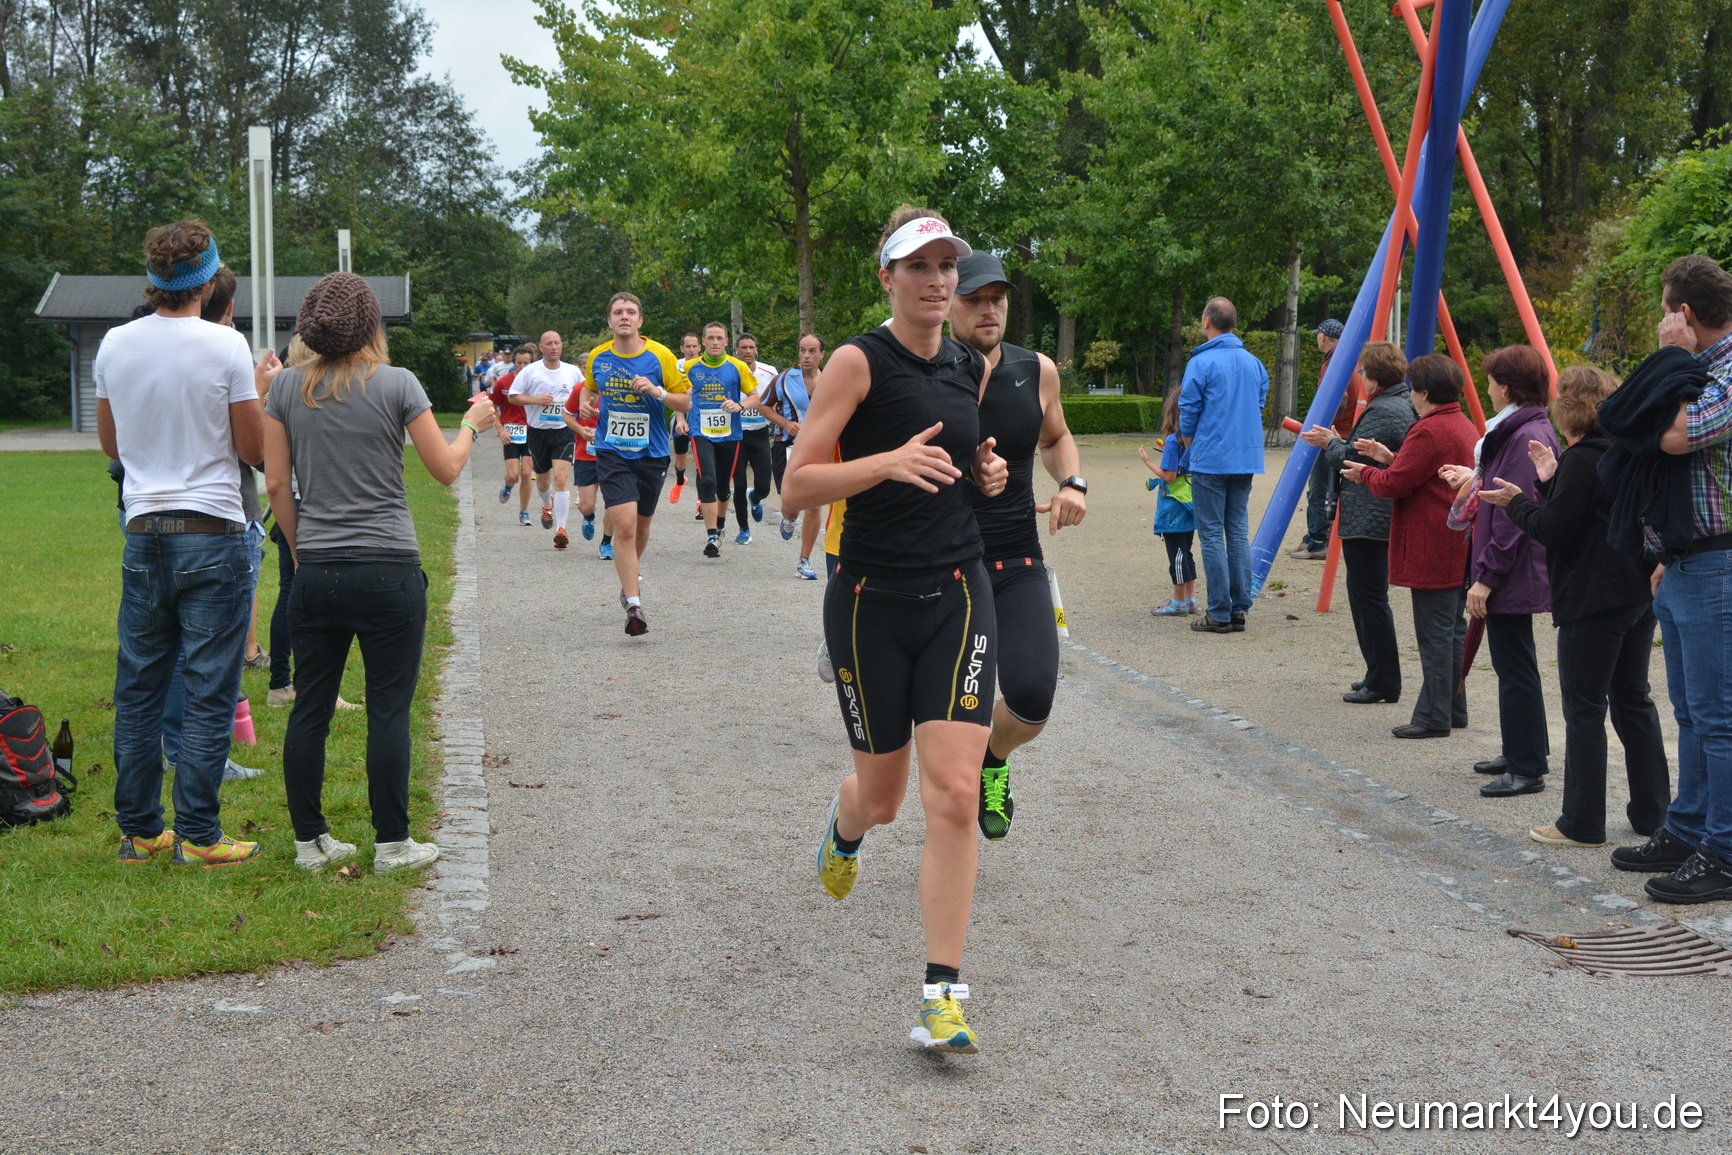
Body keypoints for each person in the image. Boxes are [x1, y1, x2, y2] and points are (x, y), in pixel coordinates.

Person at [781, 205, 1008, 1054]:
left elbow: (968, 471)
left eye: (948, 266)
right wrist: (884, 463)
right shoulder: (854, 361)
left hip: (958, 593)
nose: (940, 281)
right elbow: (798, 485)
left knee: (952, 793)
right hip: (869, 600)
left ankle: (940, 995)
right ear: (888, 277)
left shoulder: (968, 364)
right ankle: (845, 826)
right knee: (882, 797)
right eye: (920, 267)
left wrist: (984, 474)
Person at [263, 272, 498, 873]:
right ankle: (394, 844)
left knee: (310, 708)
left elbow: (275, 484)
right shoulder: (397, 383)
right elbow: (445, 468)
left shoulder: (285, 388)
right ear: (372, 325)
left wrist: (298, 549)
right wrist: (472, 422)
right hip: (389, 566)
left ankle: (309, 843)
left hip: (316, 569)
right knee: (389, 708)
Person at [96, 219, 265, 866]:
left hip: (143, 531)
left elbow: (113, 445)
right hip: (212, 531)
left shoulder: (113, 343)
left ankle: (139, 828)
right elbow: (250, 449)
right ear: (209, 277)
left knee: (139, 687)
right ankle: (199, 833)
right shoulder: (226, 347)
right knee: (208, 686)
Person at [1478, 365, 1669, 846]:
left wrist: (1517, 502)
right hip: (1635, 590)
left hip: (1593, 595)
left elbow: (1554, 529)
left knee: (1585, 708)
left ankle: (1581, 821)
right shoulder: (1625, 453)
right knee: (1633, 700)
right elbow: (1581, 513)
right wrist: (1548, 482)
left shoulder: (1584, 458)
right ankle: (1654, 812)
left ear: (1570, 408)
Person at [1604, 254, 1732, 902]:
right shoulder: (1698, 371)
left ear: (1683, 313)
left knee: (1719, 716)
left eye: (1663, 309)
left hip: (1720, 560)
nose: (1660, 321)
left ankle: (1726, 851)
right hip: (1682, 561)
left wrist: (1671, 358)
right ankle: (1687, 828)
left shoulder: (1727, 373)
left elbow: (1675, 436)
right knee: (1689, 710)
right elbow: (1630, 417)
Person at [948, 250, 1086, 841]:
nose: (988, 309)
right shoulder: (927, 372)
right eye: (974, 299)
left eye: (996, 299)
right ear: (948, 302)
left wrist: (1072, 481)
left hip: (1017, 558)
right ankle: (947, 839)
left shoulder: (1037, 369)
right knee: (954, 711)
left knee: (1031, 698)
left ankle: (993, 761)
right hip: (944, 563)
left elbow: (1055, 436)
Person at [1437, 346, 1559, 797]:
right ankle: (1523, 749)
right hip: (1512, 565)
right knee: (1515, 661)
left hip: (1512, 568)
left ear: (1506, 386)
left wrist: (1486, 575)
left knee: (1515, 665)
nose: (1486, 389)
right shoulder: (1521, 428)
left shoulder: (1526, 433)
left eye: (1491, 381)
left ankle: (1527, 765)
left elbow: (1513, 515)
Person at [1342, 354, 1478, 739]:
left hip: (1430, 539)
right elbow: (1420, 470)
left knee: (1434, 632)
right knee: (1451, 629)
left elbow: (1396, 484)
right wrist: (1390, 458)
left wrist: (1366, 472)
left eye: (1415, 390)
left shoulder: (1429, 428)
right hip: (1456, 538)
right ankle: (1452, 707)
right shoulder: (1461, 423)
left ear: (1424, 392)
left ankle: (1434, 715)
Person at [1305, 341, 1415, 705]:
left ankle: (1384, 680)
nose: (1361, 377)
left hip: (1371, 516)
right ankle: (1376, 673)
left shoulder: (1385, 410)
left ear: (1374, 375)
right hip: (1371, 513)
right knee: (1366, 598)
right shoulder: (1398, 403)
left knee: (1369, 598)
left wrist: (1330, 443)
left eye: (1364, 371)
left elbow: (1354, 460)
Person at [577, 292, 692, 636]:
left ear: (640, 320)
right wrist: (586, 404)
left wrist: (656, 392)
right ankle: (633, 602)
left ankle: (629, 577)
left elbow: (685, 400)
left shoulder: (660, 355)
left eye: (630, 312)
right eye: (617, 312)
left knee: (641, 527)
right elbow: (589, 389)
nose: (624, 317)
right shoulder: (598, 356)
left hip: (652, 452)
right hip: (612, 451)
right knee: (624, 527)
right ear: (609, 320)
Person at [1180, 297, 1269, 633]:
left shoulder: (1201, 363)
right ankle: (1239, 608)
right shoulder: (1254, 363)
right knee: (1237, 532)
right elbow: (1258, 403)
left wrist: (1191, 445)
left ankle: (1218, 611)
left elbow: (1188, 411)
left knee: (1212, 535)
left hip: (1211, 458)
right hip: (1245, 458)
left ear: (1206, 322)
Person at [685, 321, 757, 558]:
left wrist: (739, 405)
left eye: (719, 338)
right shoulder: (690, 367)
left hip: (730, 434)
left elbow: (755, 397)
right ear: (703, 342)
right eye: (710, 338)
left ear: (726, 342)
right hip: (700, 431)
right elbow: (681, 395)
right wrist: (679, 417)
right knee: (708, 481)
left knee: (724, 488)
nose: (715, 342)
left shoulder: (737, 366)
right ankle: (712, 535)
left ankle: (722, 521)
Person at [509, 331, 586, 547]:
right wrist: (535, 399)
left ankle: (561, 529)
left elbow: (585, 392)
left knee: (561, 479)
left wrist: (585, 409)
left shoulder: (572, 372)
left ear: (562, 345)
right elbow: (513, 396)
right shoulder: (530, 372)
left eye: (557, 343)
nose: (553, 347)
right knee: (543, 483)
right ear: (540, 348)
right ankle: (546, 505)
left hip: (564, 431)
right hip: (538, 432)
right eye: (549, 344)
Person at [761, 334, 826, 577]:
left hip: (818, 449)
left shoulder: (831, 379)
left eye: (812, 351)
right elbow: (763, 405)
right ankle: (788, 517)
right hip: (786, 446)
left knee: (815, 505)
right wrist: (785, 423)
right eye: (802, 351)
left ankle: (804, 561)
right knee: (790, 503)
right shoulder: (784, 379)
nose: (806, 356)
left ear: (821, 355)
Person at [1290, 318, 1354, 560]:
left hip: (1333, 436)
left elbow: (1342, 399)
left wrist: (1324, 426)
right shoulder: (1342, 358)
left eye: (1318, 334)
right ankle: (1311, 537)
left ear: (1325, 337)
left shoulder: (1335, 362)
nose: (1317, 337)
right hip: (1339, 434)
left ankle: (1318, 542)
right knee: (1317, 488)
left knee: (1320, 488)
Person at [1140, 396, 1198, 616]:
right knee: (1187, 552)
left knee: (1177, 556)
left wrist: (1147, 461)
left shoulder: (1174, 440)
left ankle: (1178, 602)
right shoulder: (1192, 439)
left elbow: (1170, 476)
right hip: (1190, 500)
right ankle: (1190, 599)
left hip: (1174, 507)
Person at [732, 333, 777, 543]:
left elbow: (776, 399)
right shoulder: (728, 370)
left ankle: (756, 498)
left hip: (760, 435)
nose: (747, 351)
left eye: (751, 347)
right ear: (736, 350)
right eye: (743, 347)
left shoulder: (769, 371)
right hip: (736, 435)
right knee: (739, 484)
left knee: (764, 486)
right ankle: (744, 529)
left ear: (756, 350)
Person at [490, 344, 537, 525]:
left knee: (526, 473)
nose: (523, 367)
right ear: (514, 363)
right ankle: (508, 485)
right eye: (519, 363)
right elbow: (492, 408)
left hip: (531, 432)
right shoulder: (504, 382)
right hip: (511, 433)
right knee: (513, 475)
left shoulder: (536, 382)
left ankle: (524, 512)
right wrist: (500, 429)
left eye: (526, 363)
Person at [670, 332, 701, 503]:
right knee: (681, 463)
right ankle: (680, 480)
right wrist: (680, 418)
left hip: (702, 417)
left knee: (701, 461)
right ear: (682, 348)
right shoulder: (676, 366)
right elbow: (673, 393)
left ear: (699, 347)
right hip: (681, 414)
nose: (691, 350)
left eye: (694, 346)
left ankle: (701, 501)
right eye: (687, 346)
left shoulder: (705, 364)